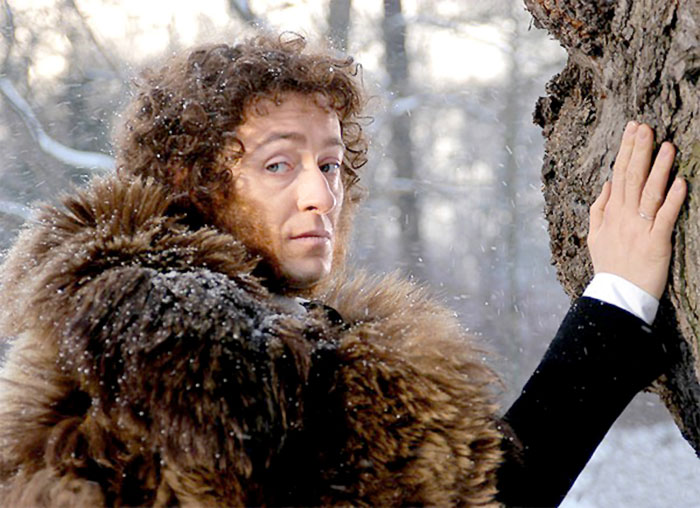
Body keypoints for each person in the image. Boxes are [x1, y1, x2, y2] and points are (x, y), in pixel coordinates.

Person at [0, 33, 686, 507]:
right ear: (192, 182)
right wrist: (617, 301)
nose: (320, 195)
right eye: (279, 164)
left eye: (329, 164)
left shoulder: (146, 323)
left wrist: (615, 305)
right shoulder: (183, 344)